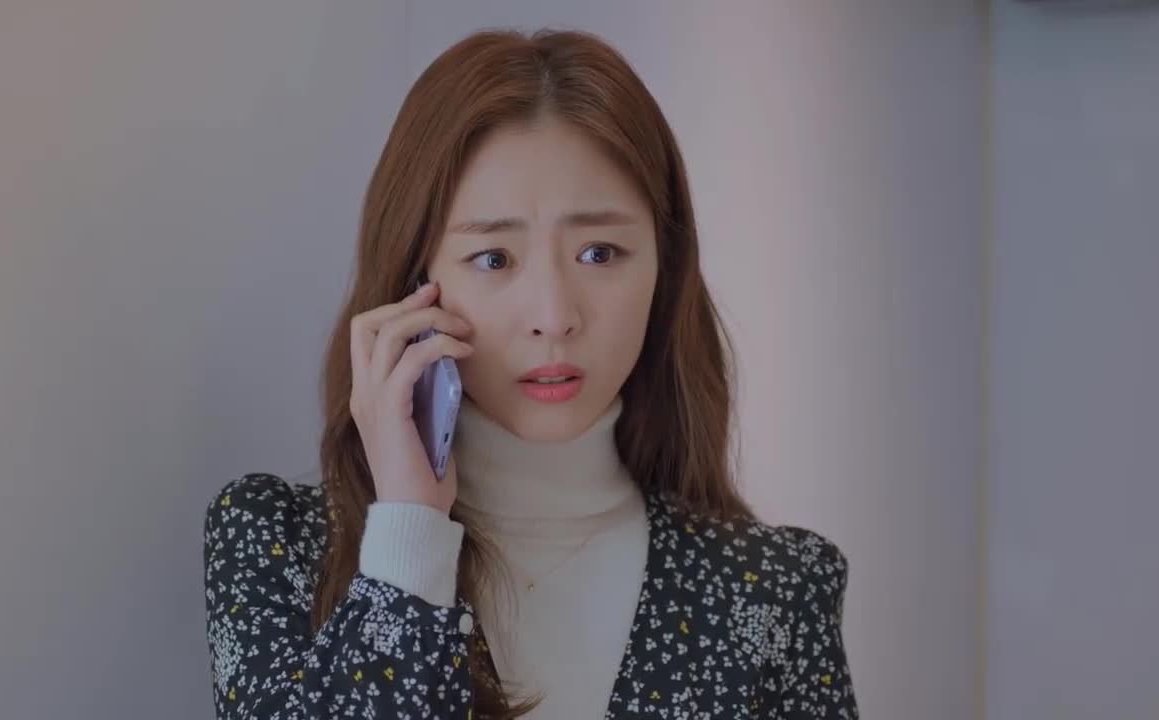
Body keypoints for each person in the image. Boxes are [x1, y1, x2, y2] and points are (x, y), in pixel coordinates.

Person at [202, 27, 858, 720]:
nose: (554, 316)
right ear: (414, 284)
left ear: (664, 272)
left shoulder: (777, 589)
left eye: (600, 253)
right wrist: (408, 537)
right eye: (494, 259)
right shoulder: (279, 546)